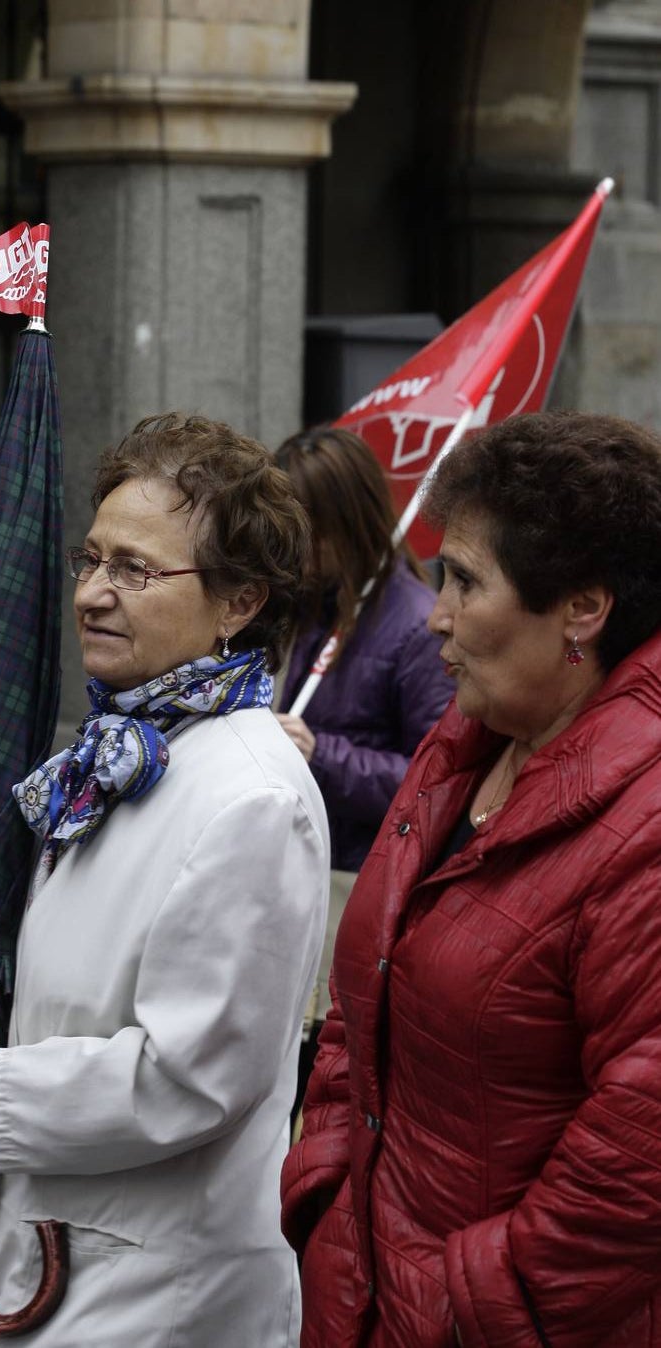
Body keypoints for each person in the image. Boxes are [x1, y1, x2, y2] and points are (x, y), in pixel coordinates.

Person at [0, 411, 331, 1348]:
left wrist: (0, 1092)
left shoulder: (253, 796)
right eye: (91, 560)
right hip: (42, 1253)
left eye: (136, 570)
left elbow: (196, 1075)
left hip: (157, 1287)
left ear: (239, 604)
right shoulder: (118, 753)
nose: (95, 594)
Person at [280, 409, 661, 1348]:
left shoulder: (644, 823)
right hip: (367, 1294)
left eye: (463, 581)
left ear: (583, 608)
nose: (437, 614)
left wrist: (470, 1299)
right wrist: (326, 1185)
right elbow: (361, 1001)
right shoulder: (460, 749)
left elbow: (639, 1147)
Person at [273, 425, 453, 1058]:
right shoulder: (296, 605)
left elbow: (437, 779)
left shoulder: (414, 625)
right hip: (282, 875)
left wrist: (321, 753)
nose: (295, 550)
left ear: (348, 522)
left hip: (352, 887)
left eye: (309, 531)